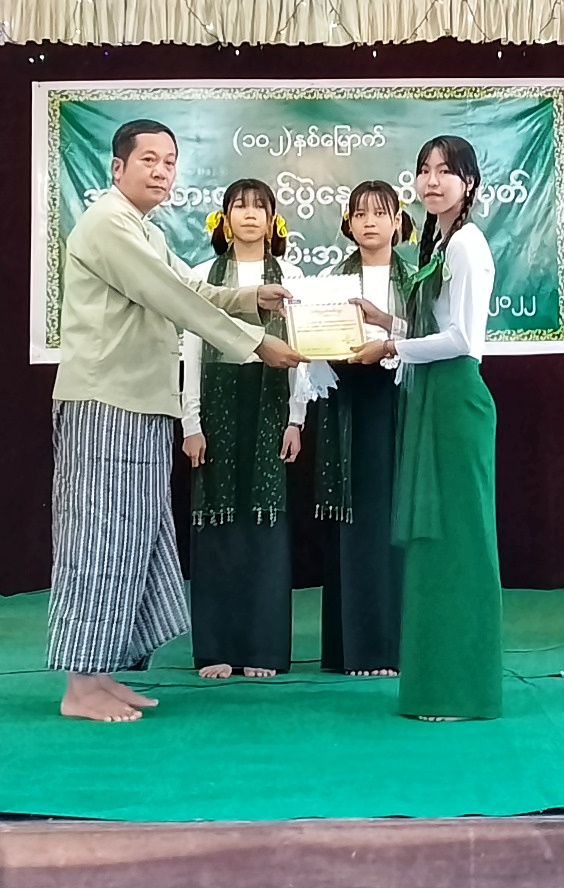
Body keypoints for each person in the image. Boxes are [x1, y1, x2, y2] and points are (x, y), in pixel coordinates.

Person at [49, 120, 306, 723]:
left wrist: (251, 298)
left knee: (134, 538)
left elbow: (188, 283)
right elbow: (174, 298)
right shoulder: (108, 223)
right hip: (105, 403)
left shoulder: (144, 229)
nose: (162, 171)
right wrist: (255, 341)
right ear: (117, 168)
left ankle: (102, 672)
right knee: (98, 539)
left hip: (141, 405)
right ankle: (79, 686)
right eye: (149, 160)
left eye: (169, 161)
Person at [348, 136, 501, 720]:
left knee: (459, 542)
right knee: (433, 546)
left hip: (456, 398)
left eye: (446, 171)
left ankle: (463, 690)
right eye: (424, 171)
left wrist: (391, 346)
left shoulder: (467, 243)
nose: (432, 181)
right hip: (431, 396)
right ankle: (435, 682)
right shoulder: (439, 241)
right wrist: (386, 320)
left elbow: (462, 338)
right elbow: (432, 324)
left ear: (469, 182)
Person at [179, 180, 316, 679]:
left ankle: (263, 649)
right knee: (216, 526)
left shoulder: (292, 278)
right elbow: (191, 351)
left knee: (265, 526)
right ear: (225, 218)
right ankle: (216, 648)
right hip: (217, 407)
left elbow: (302, 354)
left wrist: (296, 419)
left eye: (260, 206)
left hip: (269, 404)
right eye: (240, 206)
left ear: (274, 219)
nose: (250, 214)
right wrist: (191, 422)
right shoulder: (202, 276)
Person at [313, 181, 413, 677]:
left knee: (397, 520)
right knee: (354, 523)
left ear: (398, 222)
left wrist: (391, 334)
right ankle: (353, 650)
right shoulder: (329, 282)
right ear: (348, 224)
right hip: (347, 405)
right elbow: (313, 348)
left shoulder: (418, 281)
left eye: (380, 213)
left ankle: (397, 647)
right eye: (360, 214)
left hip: (400, 402)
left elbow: (433, 336)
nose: (370, 222)